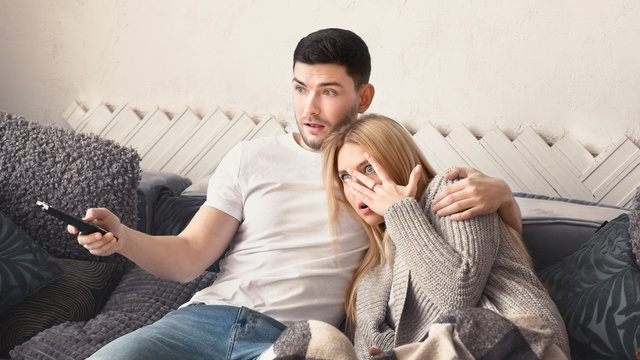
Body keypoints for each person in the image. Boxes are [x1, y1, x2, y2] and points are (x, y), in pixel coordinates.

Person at [69, 29, 523, 360]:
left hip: (298, 341)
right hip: (201, 320)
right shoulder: (250, 157)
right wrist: (123, 238)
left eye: (328, 92)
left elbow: (463, 250)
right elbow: (190, 255)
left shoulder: (379, 173)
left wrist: (504, 197)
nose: (310, 108)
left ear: (363, 96)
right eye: (300, 88)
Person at [318, 113, 569, 359]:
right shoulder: (372, 274)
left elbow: (457, 295)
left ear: (397, 160)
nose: (357, 188)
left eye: (368, 168)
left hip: (517, 342)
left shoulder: (450, 191)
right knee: (318, 340)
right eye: (346, 177)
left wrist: (399, 210)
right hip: (441, 352)